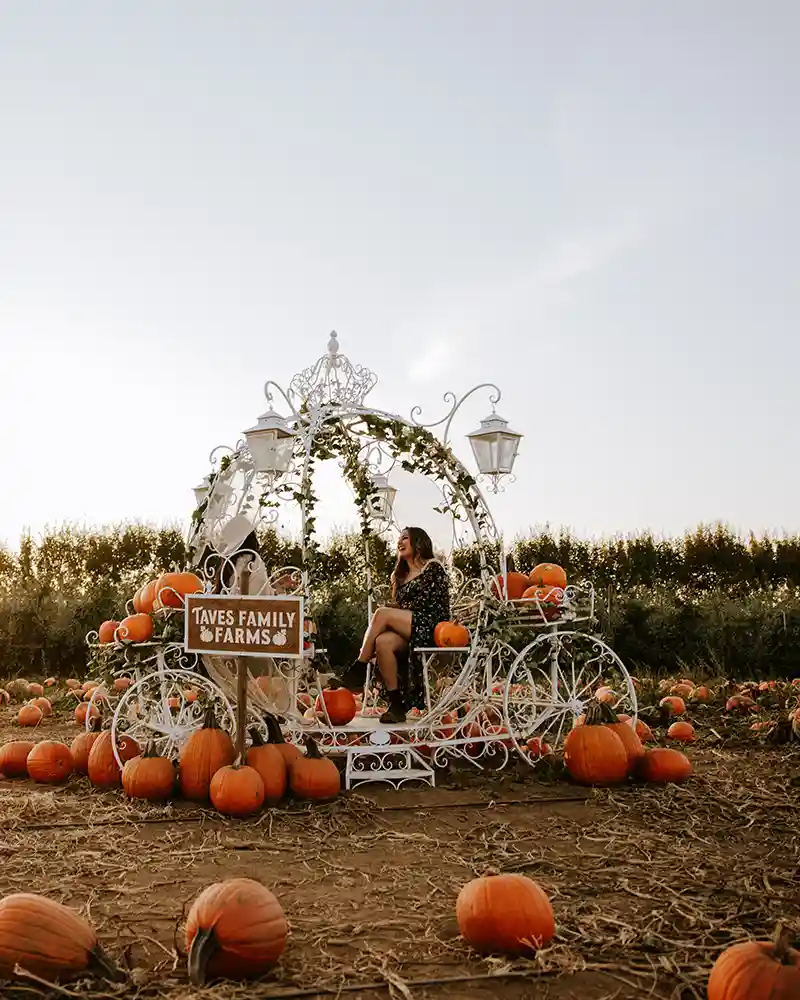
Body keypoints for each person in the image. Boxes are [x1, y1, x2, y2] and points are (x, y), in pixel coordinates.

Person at [340, 526, 451, 723]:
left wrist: (391, 614)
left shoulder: (433, 567)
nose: (400, 542)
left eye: (405, 538)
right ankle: (396, 704)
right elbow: (402, 606)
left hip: (433, 626)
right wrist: (393, 612)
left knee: (381, 614)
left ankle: (359, 666)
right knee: (383, 642)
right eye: (399, 539)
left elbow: (432, 606)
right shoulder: (398, 576)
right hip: (411, 627)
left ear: (419, 542)